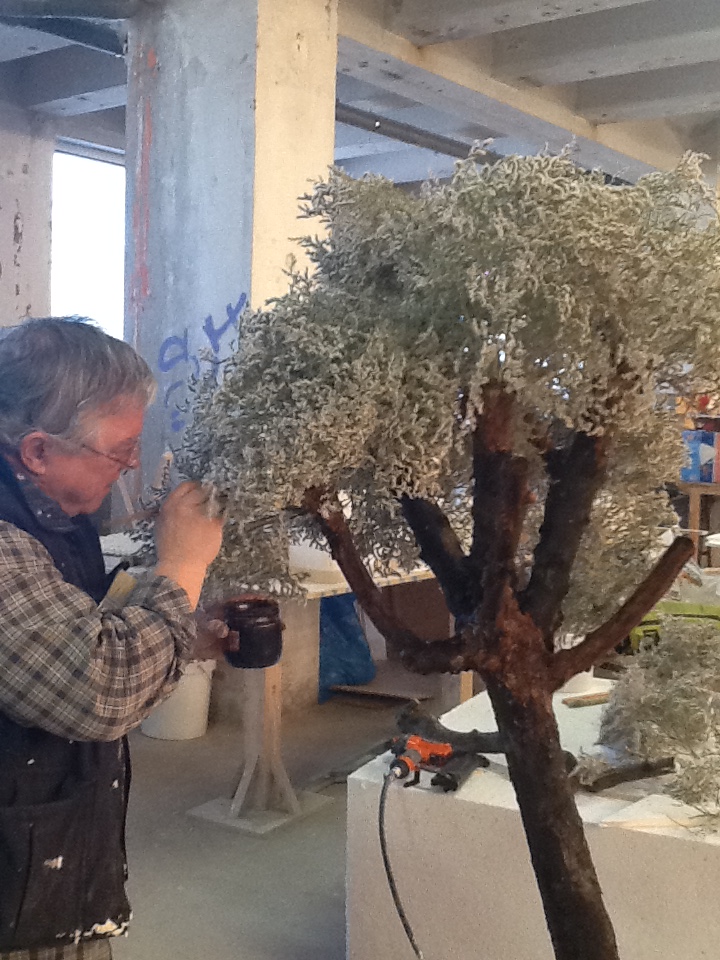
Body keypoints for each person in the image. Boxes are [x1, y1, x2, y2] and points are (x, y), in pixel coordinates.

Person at [0, 317, 225, 960]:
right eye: (119, 450)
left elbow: (77, 622)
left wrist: (184, 629)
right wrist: (183, 566)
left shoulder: (54, 509)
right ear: (38, 451)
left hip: (45, 853)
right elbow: (98, 690)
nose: (131, 464)